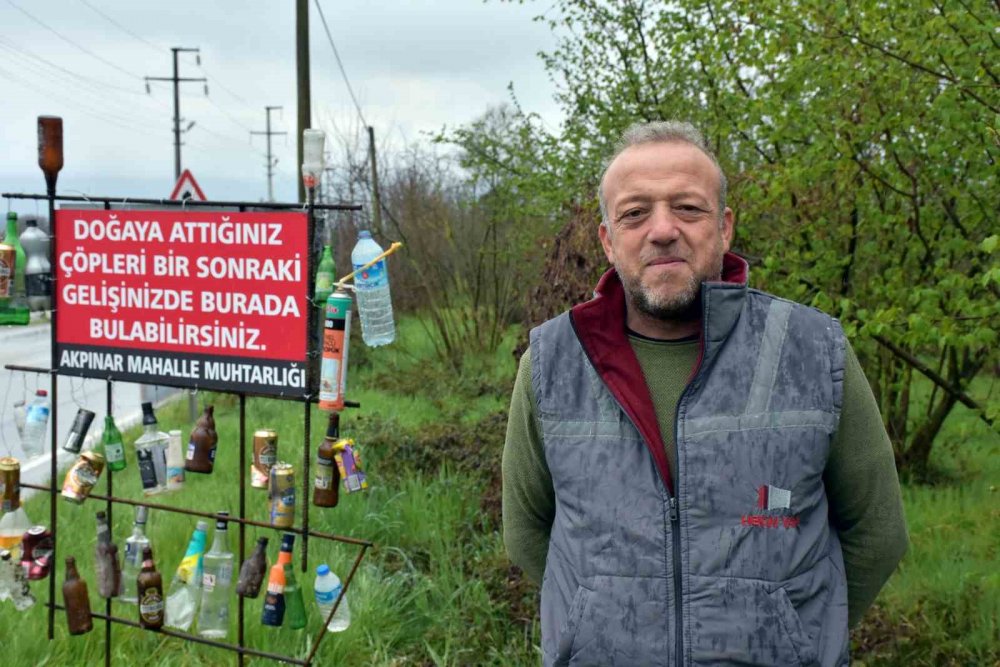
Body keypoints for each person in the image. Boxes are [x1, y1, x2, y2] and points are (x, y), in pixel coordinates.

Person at [502, 121, 908, 666]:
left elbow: (877, 533)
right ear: (607, 238)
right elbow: (529, 534)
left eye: (688, 209)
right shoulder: (552, 363)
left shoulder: (813, 352)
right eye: (635, 213)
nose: (663, 229)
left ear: (725, 227)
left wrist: (797, 636)